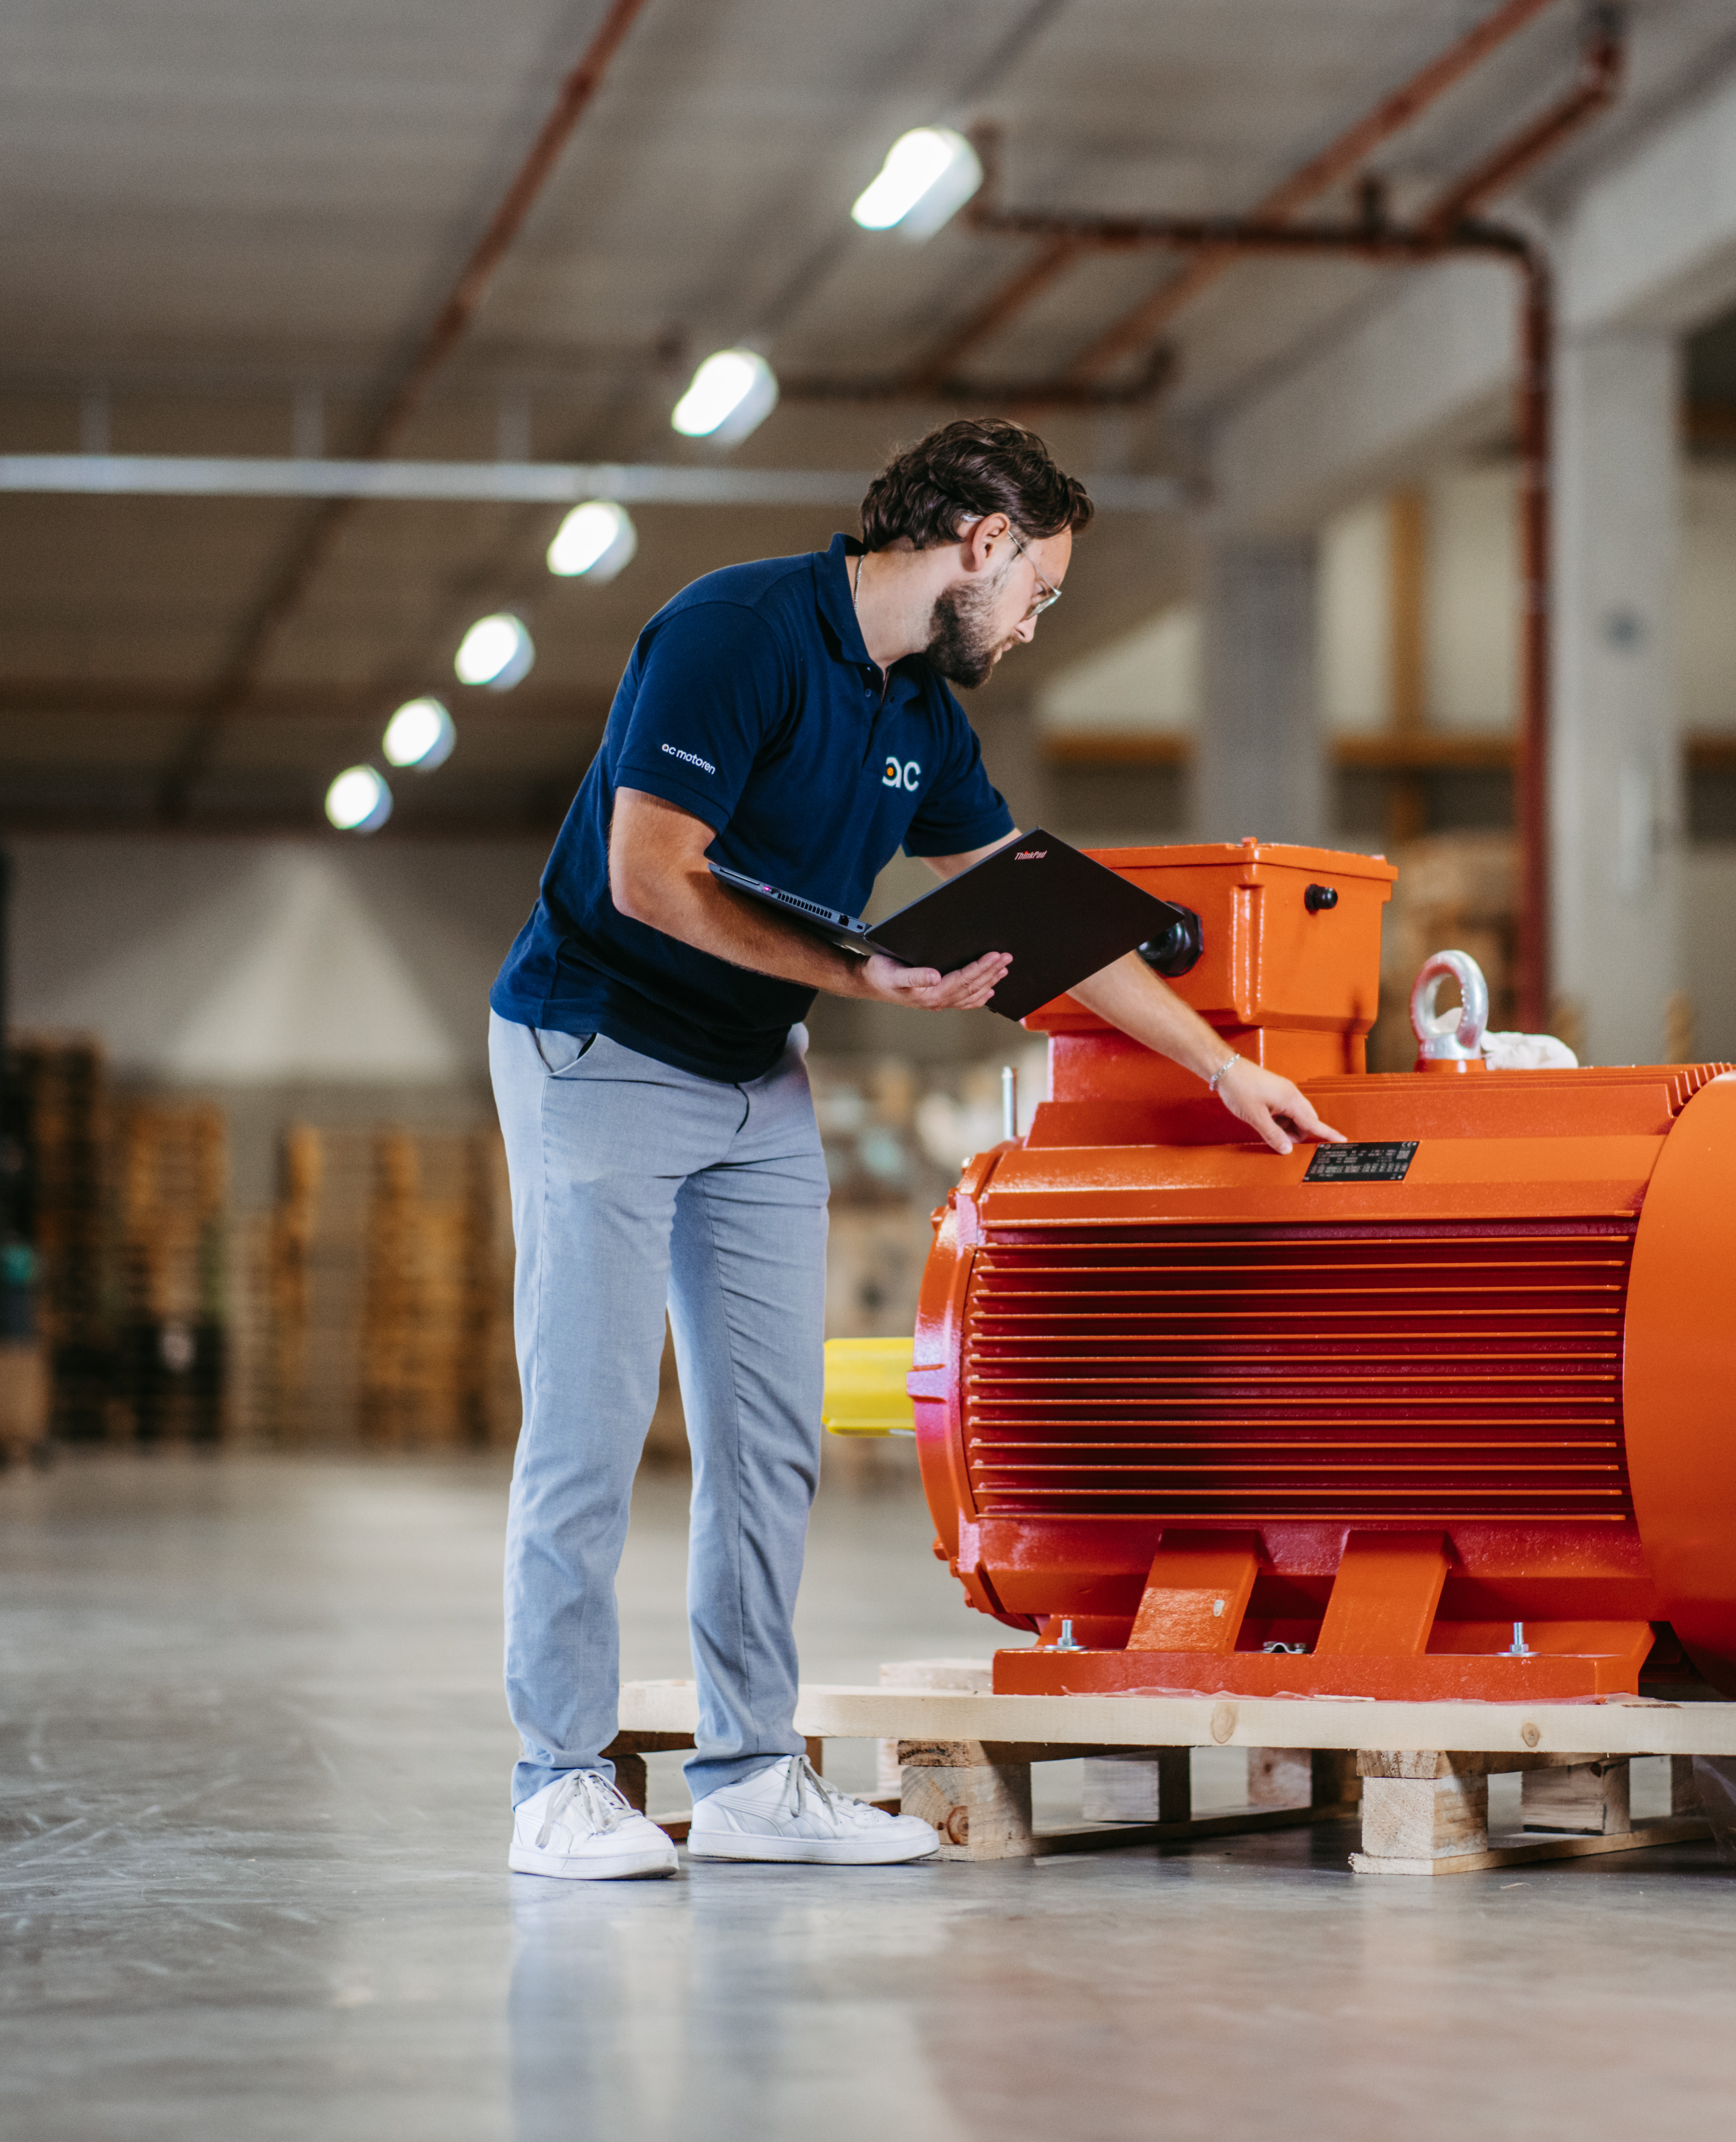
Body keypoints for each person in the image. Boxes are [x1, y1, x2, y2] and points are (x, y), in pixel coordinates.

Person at [487, 418, 1344, 1879]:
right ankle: (555, 1783)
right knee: (592, 1428)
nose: (1030, 623)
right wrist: (864, 977)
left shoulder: (921, 723)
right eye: (1040, 591)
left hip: (755, 1076)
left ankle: (751, 1773)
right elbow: (646, 876)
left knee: (769, 1442)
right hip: (601, 1050)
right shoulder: (734, 633)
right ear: (983, 544)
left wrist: (1219, 1069)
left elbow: (1047, 920)